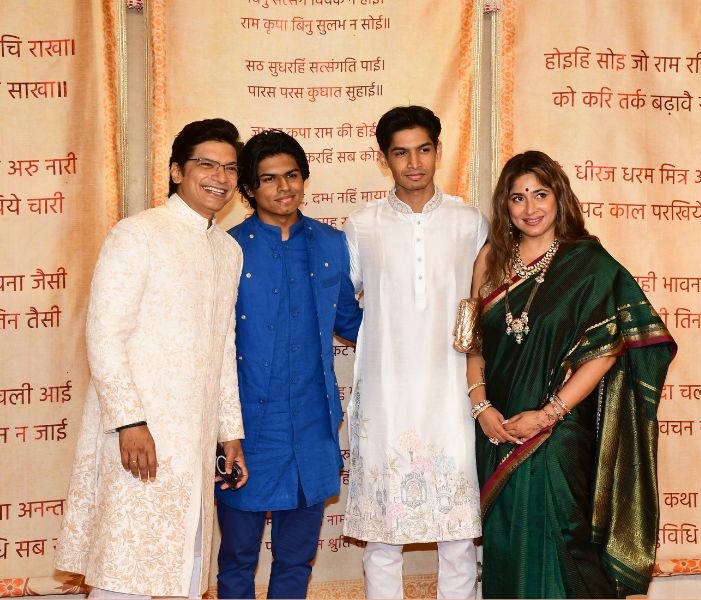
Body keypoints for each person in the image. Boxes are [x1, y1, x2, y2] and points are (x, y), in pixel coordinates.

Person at [467, 150, 676, 599]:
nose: (530, 208)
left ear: (559, 198)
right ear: (505, 205)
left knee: (564, 543)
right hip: (497, 431)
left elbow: (606, 352)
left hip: (557, 433)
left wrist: (548, 414)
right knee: (507, 546)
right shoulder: (489, 261)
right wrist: (481, 407)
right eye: (518, 198)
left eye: (540, 194)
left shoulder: (589, 264)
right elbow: (476, 346)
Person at [54, 118, 249, 599]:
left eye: (230, 168)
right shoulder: (138, 234)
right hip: (140, 437)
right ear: (177, 171)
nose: (220, 177)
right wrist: (129, 421)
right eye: (206, 164)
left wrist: (230, 431)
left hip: (195, 441)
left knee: (183, 570)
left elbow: (223, 346)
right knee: (124, 572)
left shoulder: (227, 250)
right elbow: (104, 333)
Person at [343, 105, 486, 599]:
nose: (414, 163)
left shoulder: (470, 222)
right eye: (401, 153)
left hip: (452, 392)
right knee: (382, 535)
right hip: (386, 393)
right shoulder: (362, 225)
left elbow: (484, 303)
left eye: (423, 149)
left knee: (458, 535)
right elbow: (345, 304)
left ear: (438, 151)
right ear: (384, 159)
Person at [215, 130, 362, 599]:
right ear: (248, 189)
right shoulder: (227, 249)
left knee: (297, 560)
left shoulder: (331, 244)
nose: (284, 188)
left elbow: (352, 323)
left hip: (313, 429)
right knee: (238, 559)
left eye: (292, 175)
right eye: (269, 179)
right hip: (246, 432)